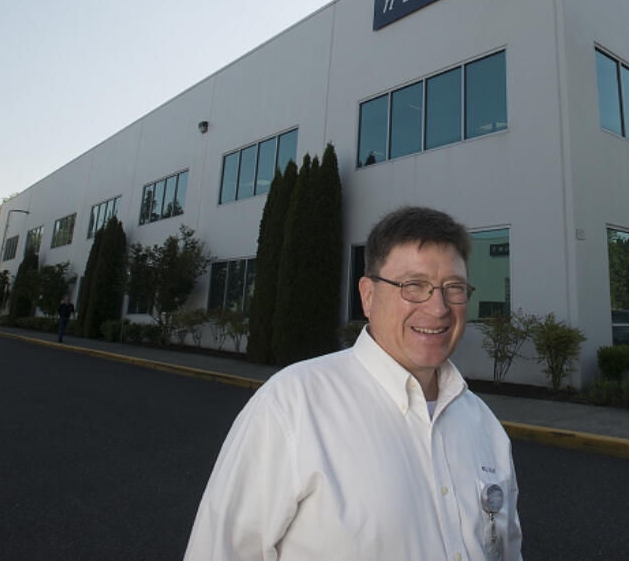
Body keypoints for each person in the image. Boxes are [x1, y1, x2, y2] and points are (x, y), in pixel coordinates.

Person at [185, 206, 522, 560]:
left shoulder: (484, 425)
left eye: (452, 288)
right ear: (368, 295)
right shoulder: (291, 406)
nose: (438, 308)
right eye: (414, 286)